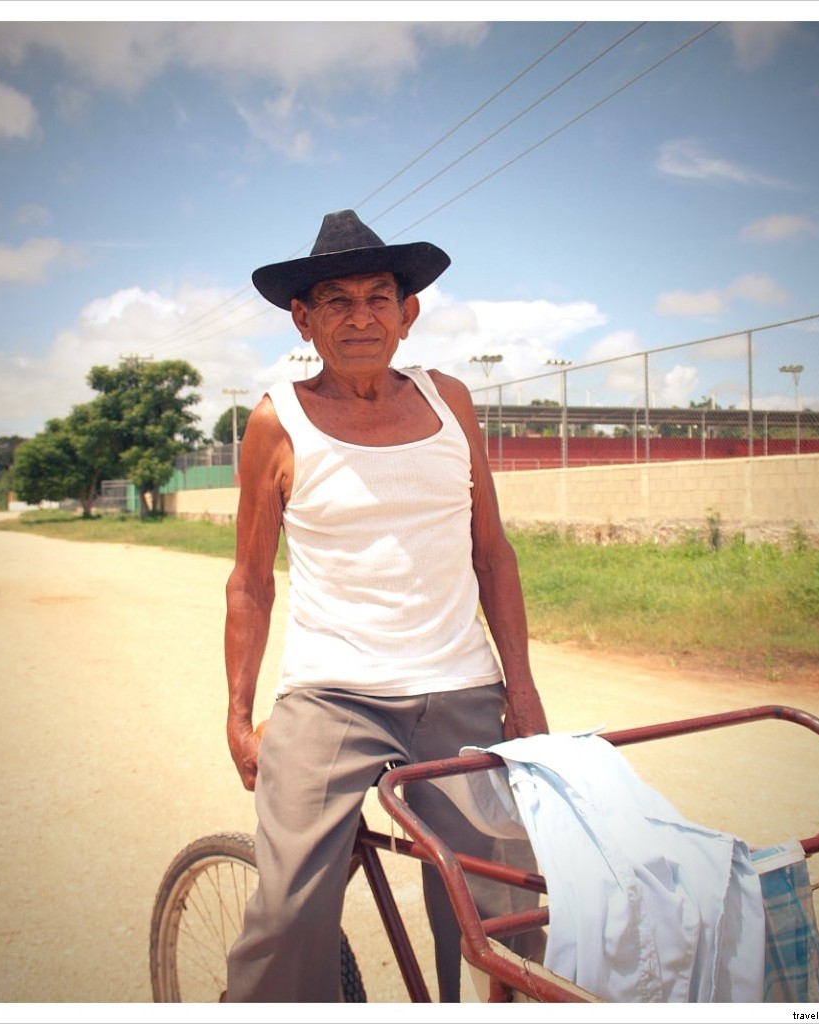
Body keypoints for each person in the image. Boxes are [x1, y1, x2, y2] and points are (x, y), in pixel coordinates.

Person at [224, 209, 548, 1002]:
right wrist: (239, 713)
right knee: (291, 915)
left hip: (462, 691)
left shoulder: (450, 403)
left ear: (409, 313)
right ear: (303, 319)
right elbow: (251, 581)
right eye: (336, 300)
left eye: (379, 297)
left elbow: (492, 553)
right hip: (333, 696)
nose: (360, 316)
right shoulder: (277, 420)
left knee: (508, 915)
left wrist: (524, 688)